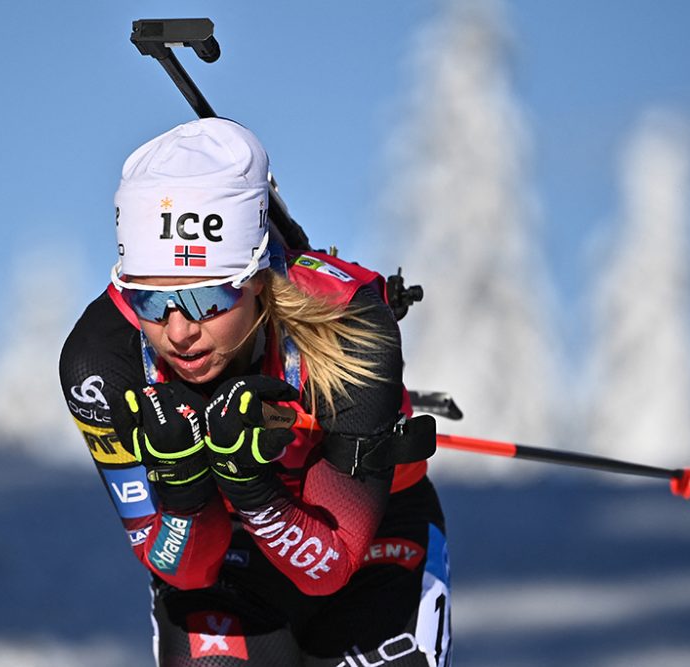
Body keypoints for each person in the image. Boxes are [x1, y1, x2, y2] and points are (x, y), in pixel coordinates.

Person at [59, 117, 451, 666]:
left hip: (366, 545)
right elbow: (182, 567)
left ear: (259, 278)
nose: (178, 331)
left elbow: (331, 566)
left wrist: (251, 488)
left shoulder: (350, 323)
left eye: (206, 299)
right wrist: (186, 488)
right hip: (226, 561)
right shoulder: (100, 363)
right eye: (149, 300)